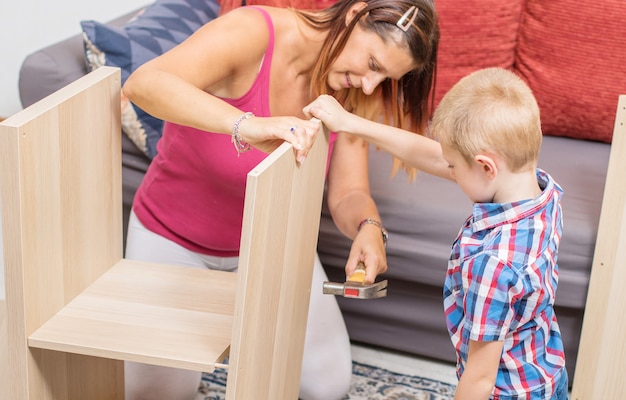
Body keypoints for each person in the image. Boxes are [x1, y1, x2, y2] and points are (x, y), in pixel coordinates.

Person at [121, 0, 440, 399]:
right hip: (173, 240)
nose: (370, 85)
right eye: (374, 64)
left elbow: (349, 192)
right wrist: (246, 125)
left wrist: (369, 227)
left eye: (385, 78)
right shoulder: (253, 32)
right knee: (157, 395)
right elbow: (143, 83)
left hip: (273, 245)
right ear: (356, 14)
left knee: (328, 385)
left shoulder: (352, 87)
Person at [305, 67, 569, 399]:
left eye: (454, 167)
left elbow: (479, 379)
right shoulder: (542, 194)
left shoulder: (493, 265)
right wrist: (351, 123)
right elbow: (431, 156)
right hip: (544, 373)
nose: (449, 173)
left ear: (487, 166)